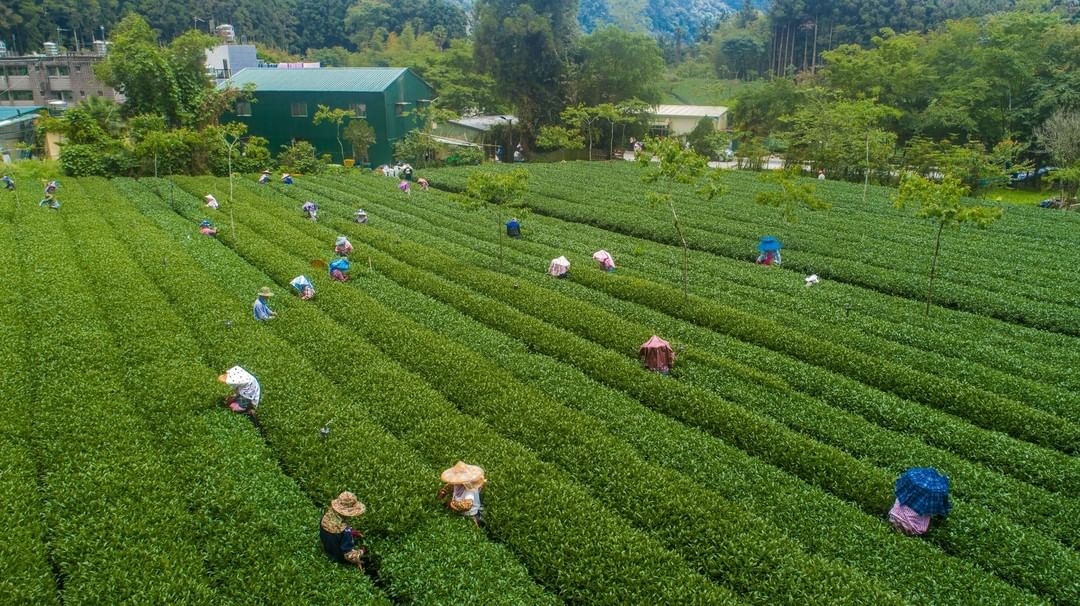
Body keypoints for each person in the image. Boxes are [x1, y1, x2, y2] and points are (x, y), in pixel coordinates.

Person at [320, 492, 367, 569]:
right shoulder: (345, 531)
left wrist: (352, 532)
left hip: (327, 548)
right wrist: (362, 551)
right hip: (338, 557)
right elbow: (348, 554)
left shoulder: (326, 517)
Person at [437, 461, 485, 528]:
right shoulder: (457, 484)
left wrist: (451, 504)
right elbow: (450, 486)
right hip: (458, 510)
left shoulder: (469, 490)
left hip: (469, 514)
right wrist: (443, 492)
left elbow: (467, 505)